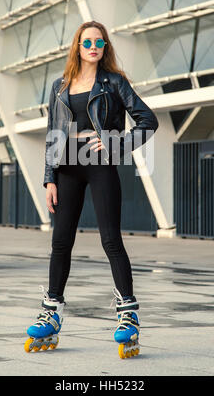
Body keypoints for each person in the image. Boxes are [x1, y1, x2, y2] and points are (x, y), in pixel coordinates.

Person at [24, 21, 159, 357]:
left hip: (100, 163)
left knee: (111, 239)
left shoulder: (114, 82)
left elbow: (148, 120)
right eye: (88, 42)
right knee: (60, 241)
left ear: (105, 46)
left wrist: (117, 144)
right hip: (67, 165)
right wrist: (49, 178)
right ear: (78, 46)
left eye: (100, 41)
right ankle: (51, 312)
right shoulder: (59, 86)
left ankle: (128, 315)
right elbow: (52, 133)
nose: (94, 46)